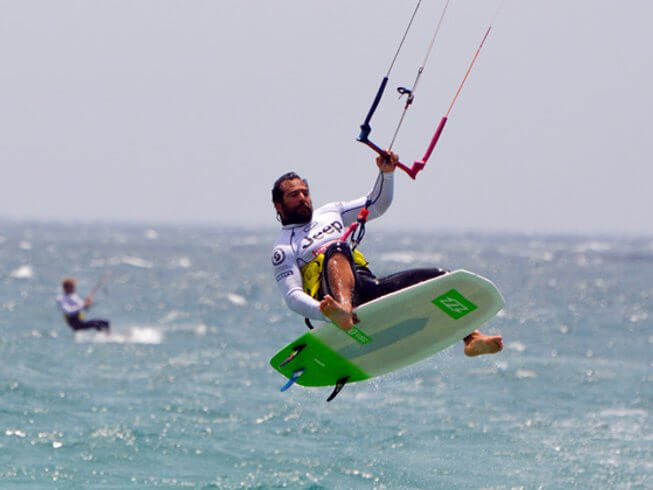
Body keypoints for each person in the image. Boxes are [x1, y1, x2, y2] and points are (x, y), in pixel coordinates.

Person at [271, 151, 502, 357]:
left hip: (365, 284)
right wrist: (324, 312)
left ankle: (472, 338)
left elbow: (376, 204)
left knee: (443, 279)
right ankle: (343, 311)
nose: (302, 197)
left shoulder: (331, 212)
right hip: (331, 299)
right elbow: (293, 295)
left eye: (305, 192)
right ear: (278, 205)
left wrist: (387, 174)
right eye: (294, 195)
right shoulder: (283, 249)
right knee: (337, 247)